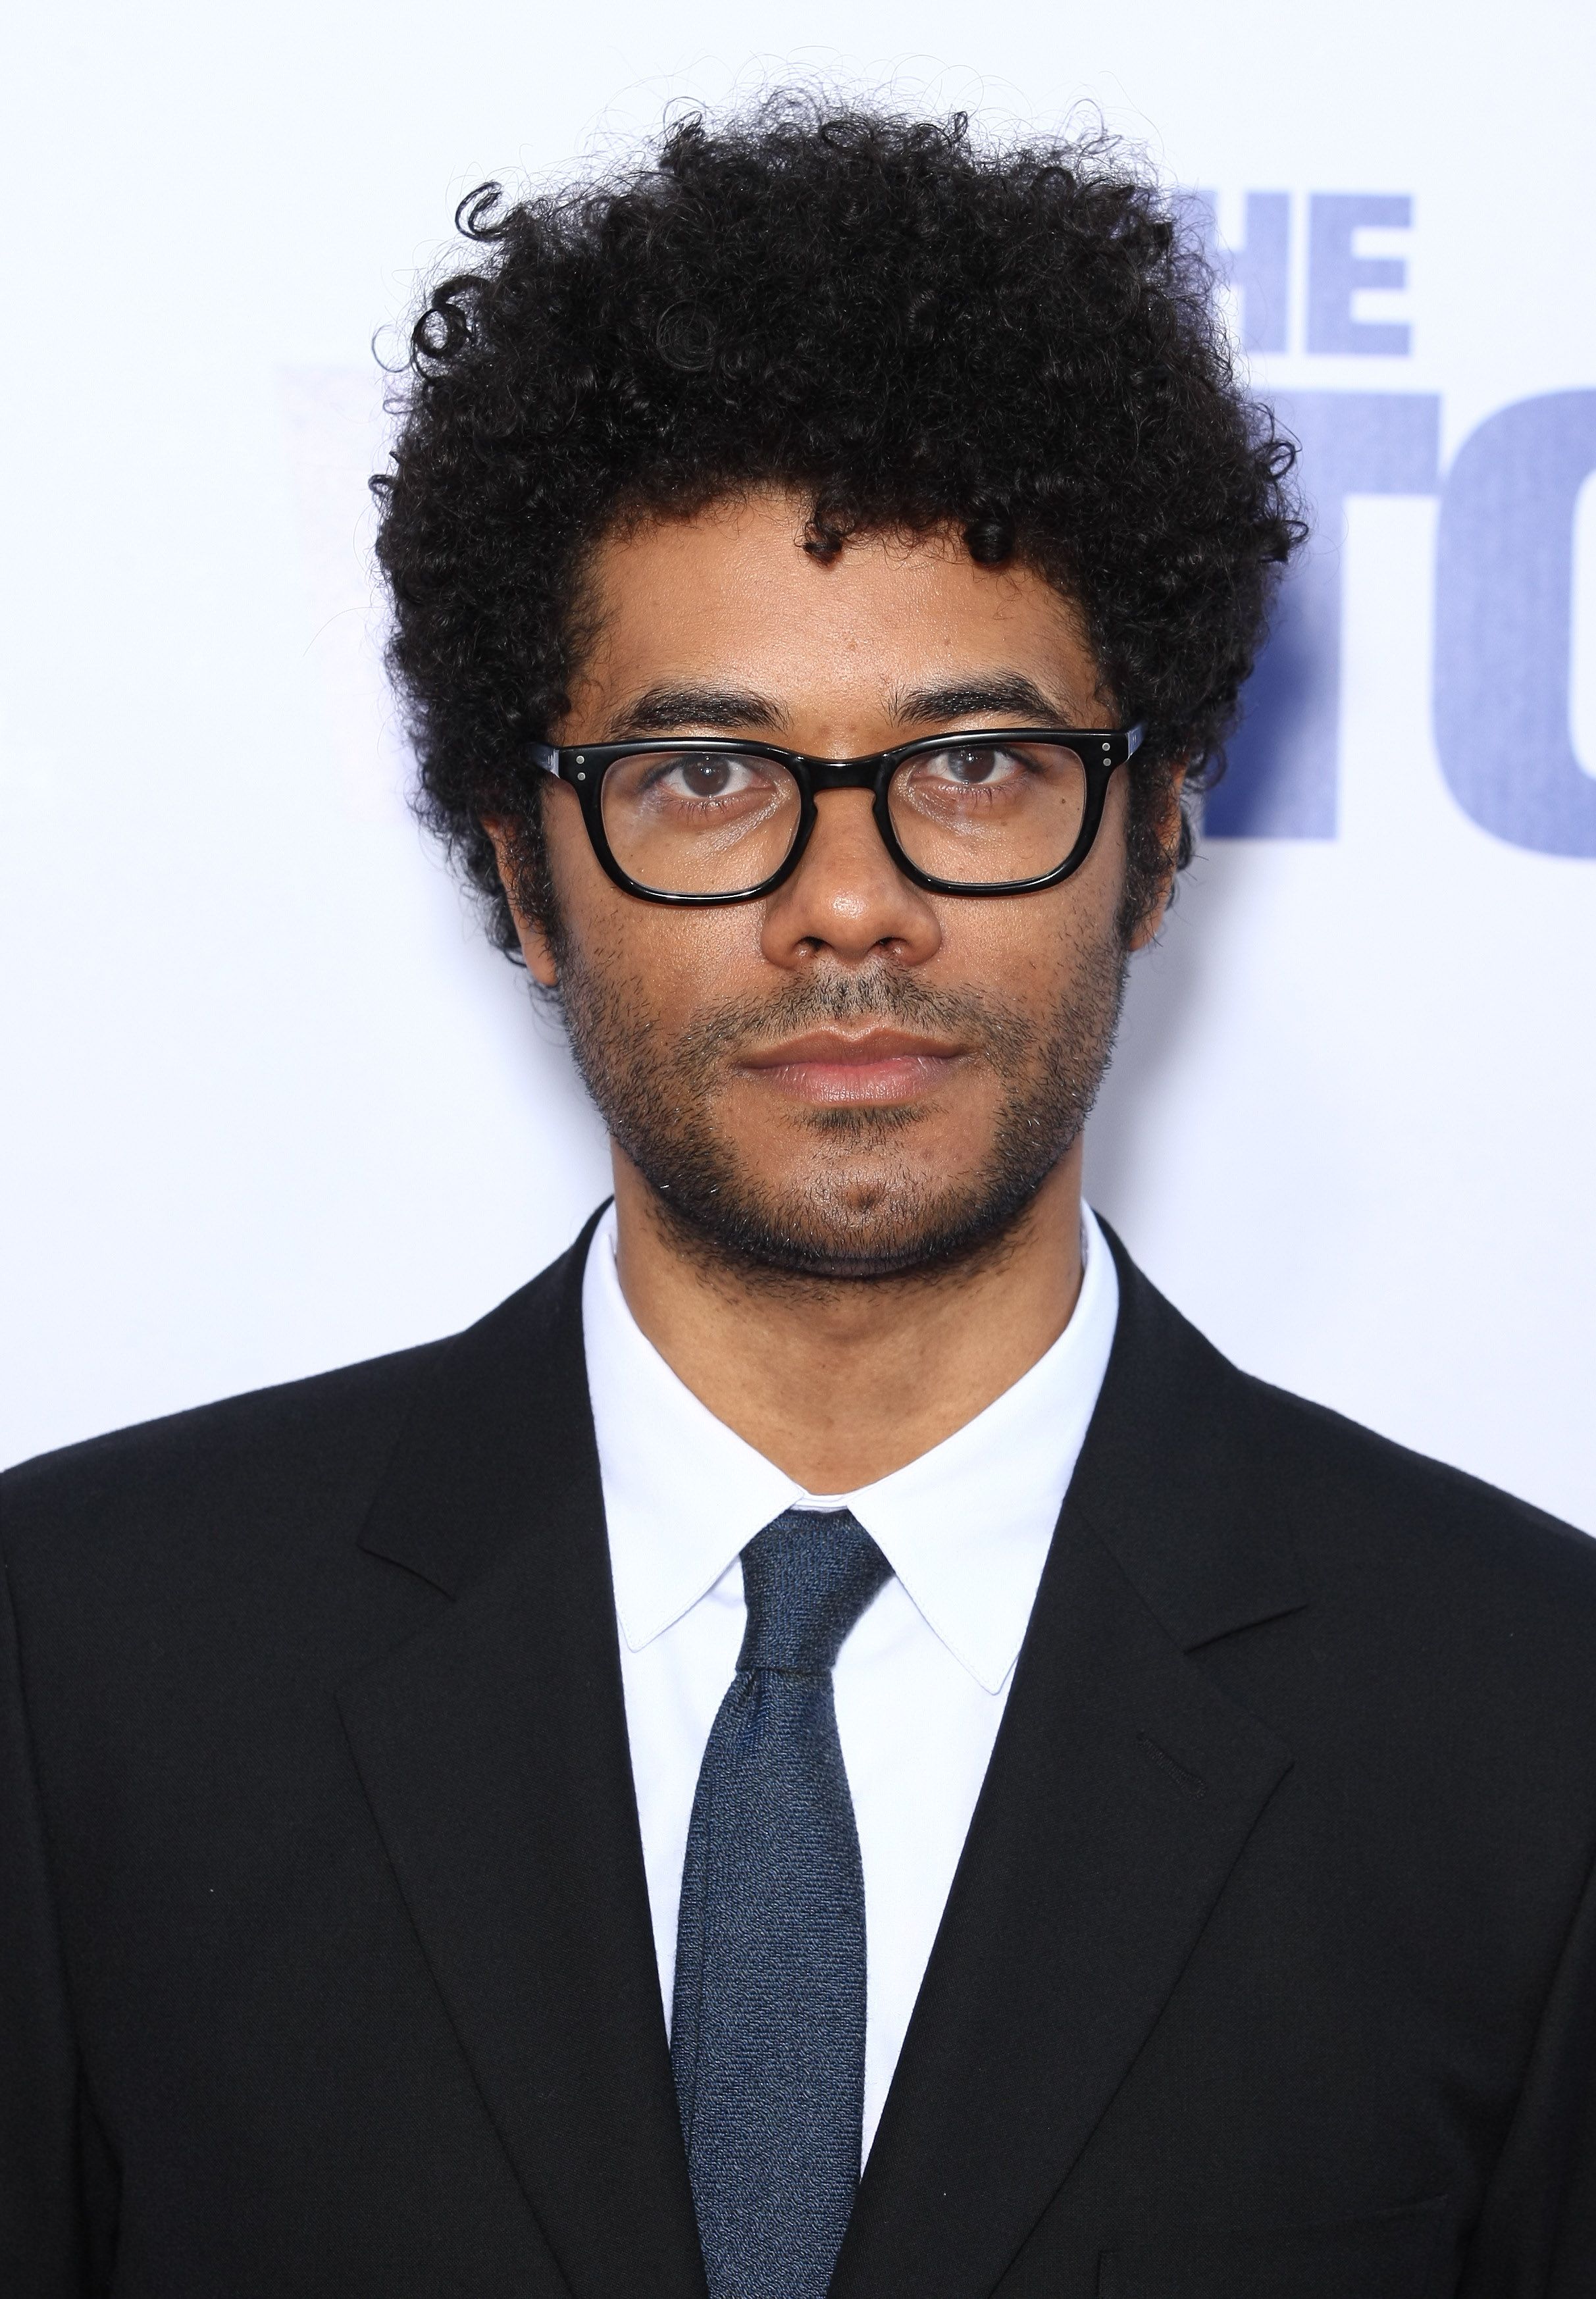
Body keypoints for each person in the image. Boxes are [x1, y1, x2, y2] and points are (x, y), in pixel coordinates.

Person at [3, 101, 1593, 2299]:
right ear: (519, 874)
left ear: (1152, 839)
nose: (850, 904)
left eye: (972, 766)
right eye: (701, 777)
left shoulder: (1531, 1728)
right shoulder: (81, 1663)